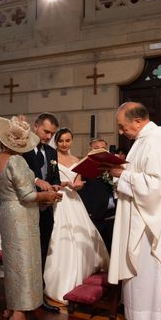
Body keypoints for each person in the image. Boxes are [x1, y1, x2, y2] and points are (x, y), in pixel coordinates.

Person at [106, 102, 161, 320]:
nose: (122, 132)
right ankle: (146, 312)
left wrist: (122, 174)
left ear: (139, 121)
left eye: (123, 127)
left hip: (147, 220)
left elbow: (156, 186)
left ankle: (146, 317)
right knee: (143, 270)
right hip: (142, 213)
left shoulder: (153, 142)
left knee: (145, 268)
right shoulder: (145, 141)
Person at [0, 116, 62, 320]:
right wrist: (49, 195)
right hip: (21, 218)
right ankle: (18, 318)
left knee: (15, 265)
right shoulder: (16, 161)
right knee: (23, 267)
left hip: (8, 214)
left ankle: (13, 309)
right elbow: (27, 194)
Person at [43, 129, 109, 304]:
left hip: (74, 200)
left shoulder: (76, 160)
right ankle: (60, 280)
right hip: (59, 200)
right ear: (56, 142)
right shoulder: (51, 159)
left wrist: (78, 186)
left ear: (72, 141)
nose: (65, 144)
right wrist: (61, 185)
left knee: (82, 238)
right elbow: (48, 180)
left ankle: (82, 277)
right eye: (61, 141)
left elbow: (78, 182)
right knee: (61, 237)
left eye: (68, 141)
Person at [22, 112, 62, 313]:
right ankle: (24, 298)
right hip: (26, 209)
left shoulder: (52, 153)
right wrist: (38, 182)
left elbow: (53, 176)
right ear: (35, 126)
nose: (48, 137)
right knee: (27, 255)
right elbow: (18, 177)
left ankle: (40, 295)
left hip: (46, 211)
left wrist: (57, 186)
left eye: (52, 134)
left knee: (42, 252)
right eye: (46, 131)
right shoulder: (23, 149)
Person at [78, 138, 117, 250]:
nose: (100, 151)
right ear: (90, 150)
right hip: (96, 214)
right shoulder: (85, 167)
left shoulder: (114, 166)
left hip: (114, 213)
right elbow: (83, 191)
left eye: (103, 148)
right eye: (96, 148)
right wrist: (89, 212)